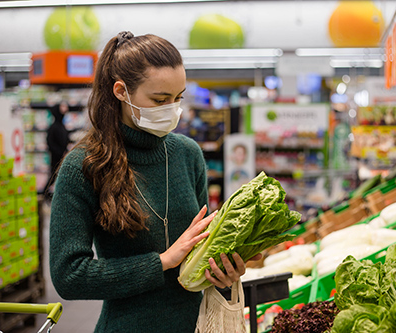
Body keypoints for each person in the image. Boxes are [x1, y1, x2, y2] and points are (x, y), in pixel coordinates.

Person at [49, 31, 258, 333]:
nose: (172, 109)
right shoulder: (84, 166)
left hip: (196, 325)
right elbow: (69, 275)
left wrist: (224, 270)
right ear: (121, 91)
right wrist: (161, 262)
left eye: (178, 98)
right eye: (160, 99)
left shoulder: (188, 154)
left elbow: (201, 246)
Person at [43, 101, 69, 200]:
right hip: (56, 157)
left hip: (63, 155)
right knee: (53, 175)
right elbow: (50, 143)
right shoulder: (53, 127)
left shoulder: (62, 126)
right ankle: (45, 192)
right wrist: (59, 152)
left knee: (58, 175)